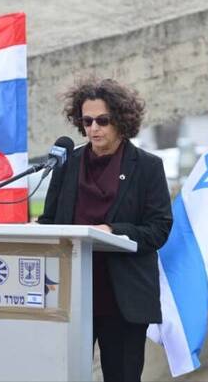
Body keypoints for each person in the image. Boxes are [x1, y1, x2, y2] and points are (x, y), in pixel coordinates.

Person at [38, 77, 173, 382]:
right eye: (87, 121)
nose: (93, 128)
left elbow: (159, 229)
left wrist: (112, 230)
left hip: (122, 301)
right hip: (70, 297)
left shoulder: (148, 167)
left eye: (102, 120)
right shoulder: (67, 164)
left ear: (122, 121)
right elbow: (49, 221)